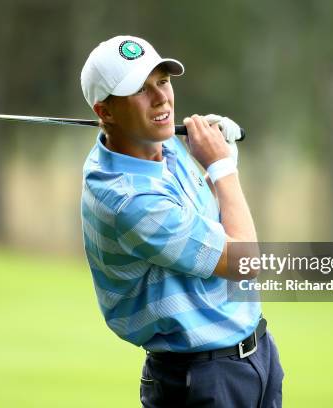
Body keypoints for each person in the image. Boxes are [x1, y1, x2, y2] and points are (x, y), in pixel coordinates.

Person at [80, 35, 283, 407]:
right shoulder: (127, 199)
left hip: (254, 356)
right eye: (140, 90)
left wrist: (218, 166)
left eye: (162, 81)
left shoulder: (161, 145)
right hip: (203, 382)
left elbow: (196, 227)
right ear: (105, 112)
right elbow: (244, 261)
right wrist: (222, 168)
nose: (161, 99)